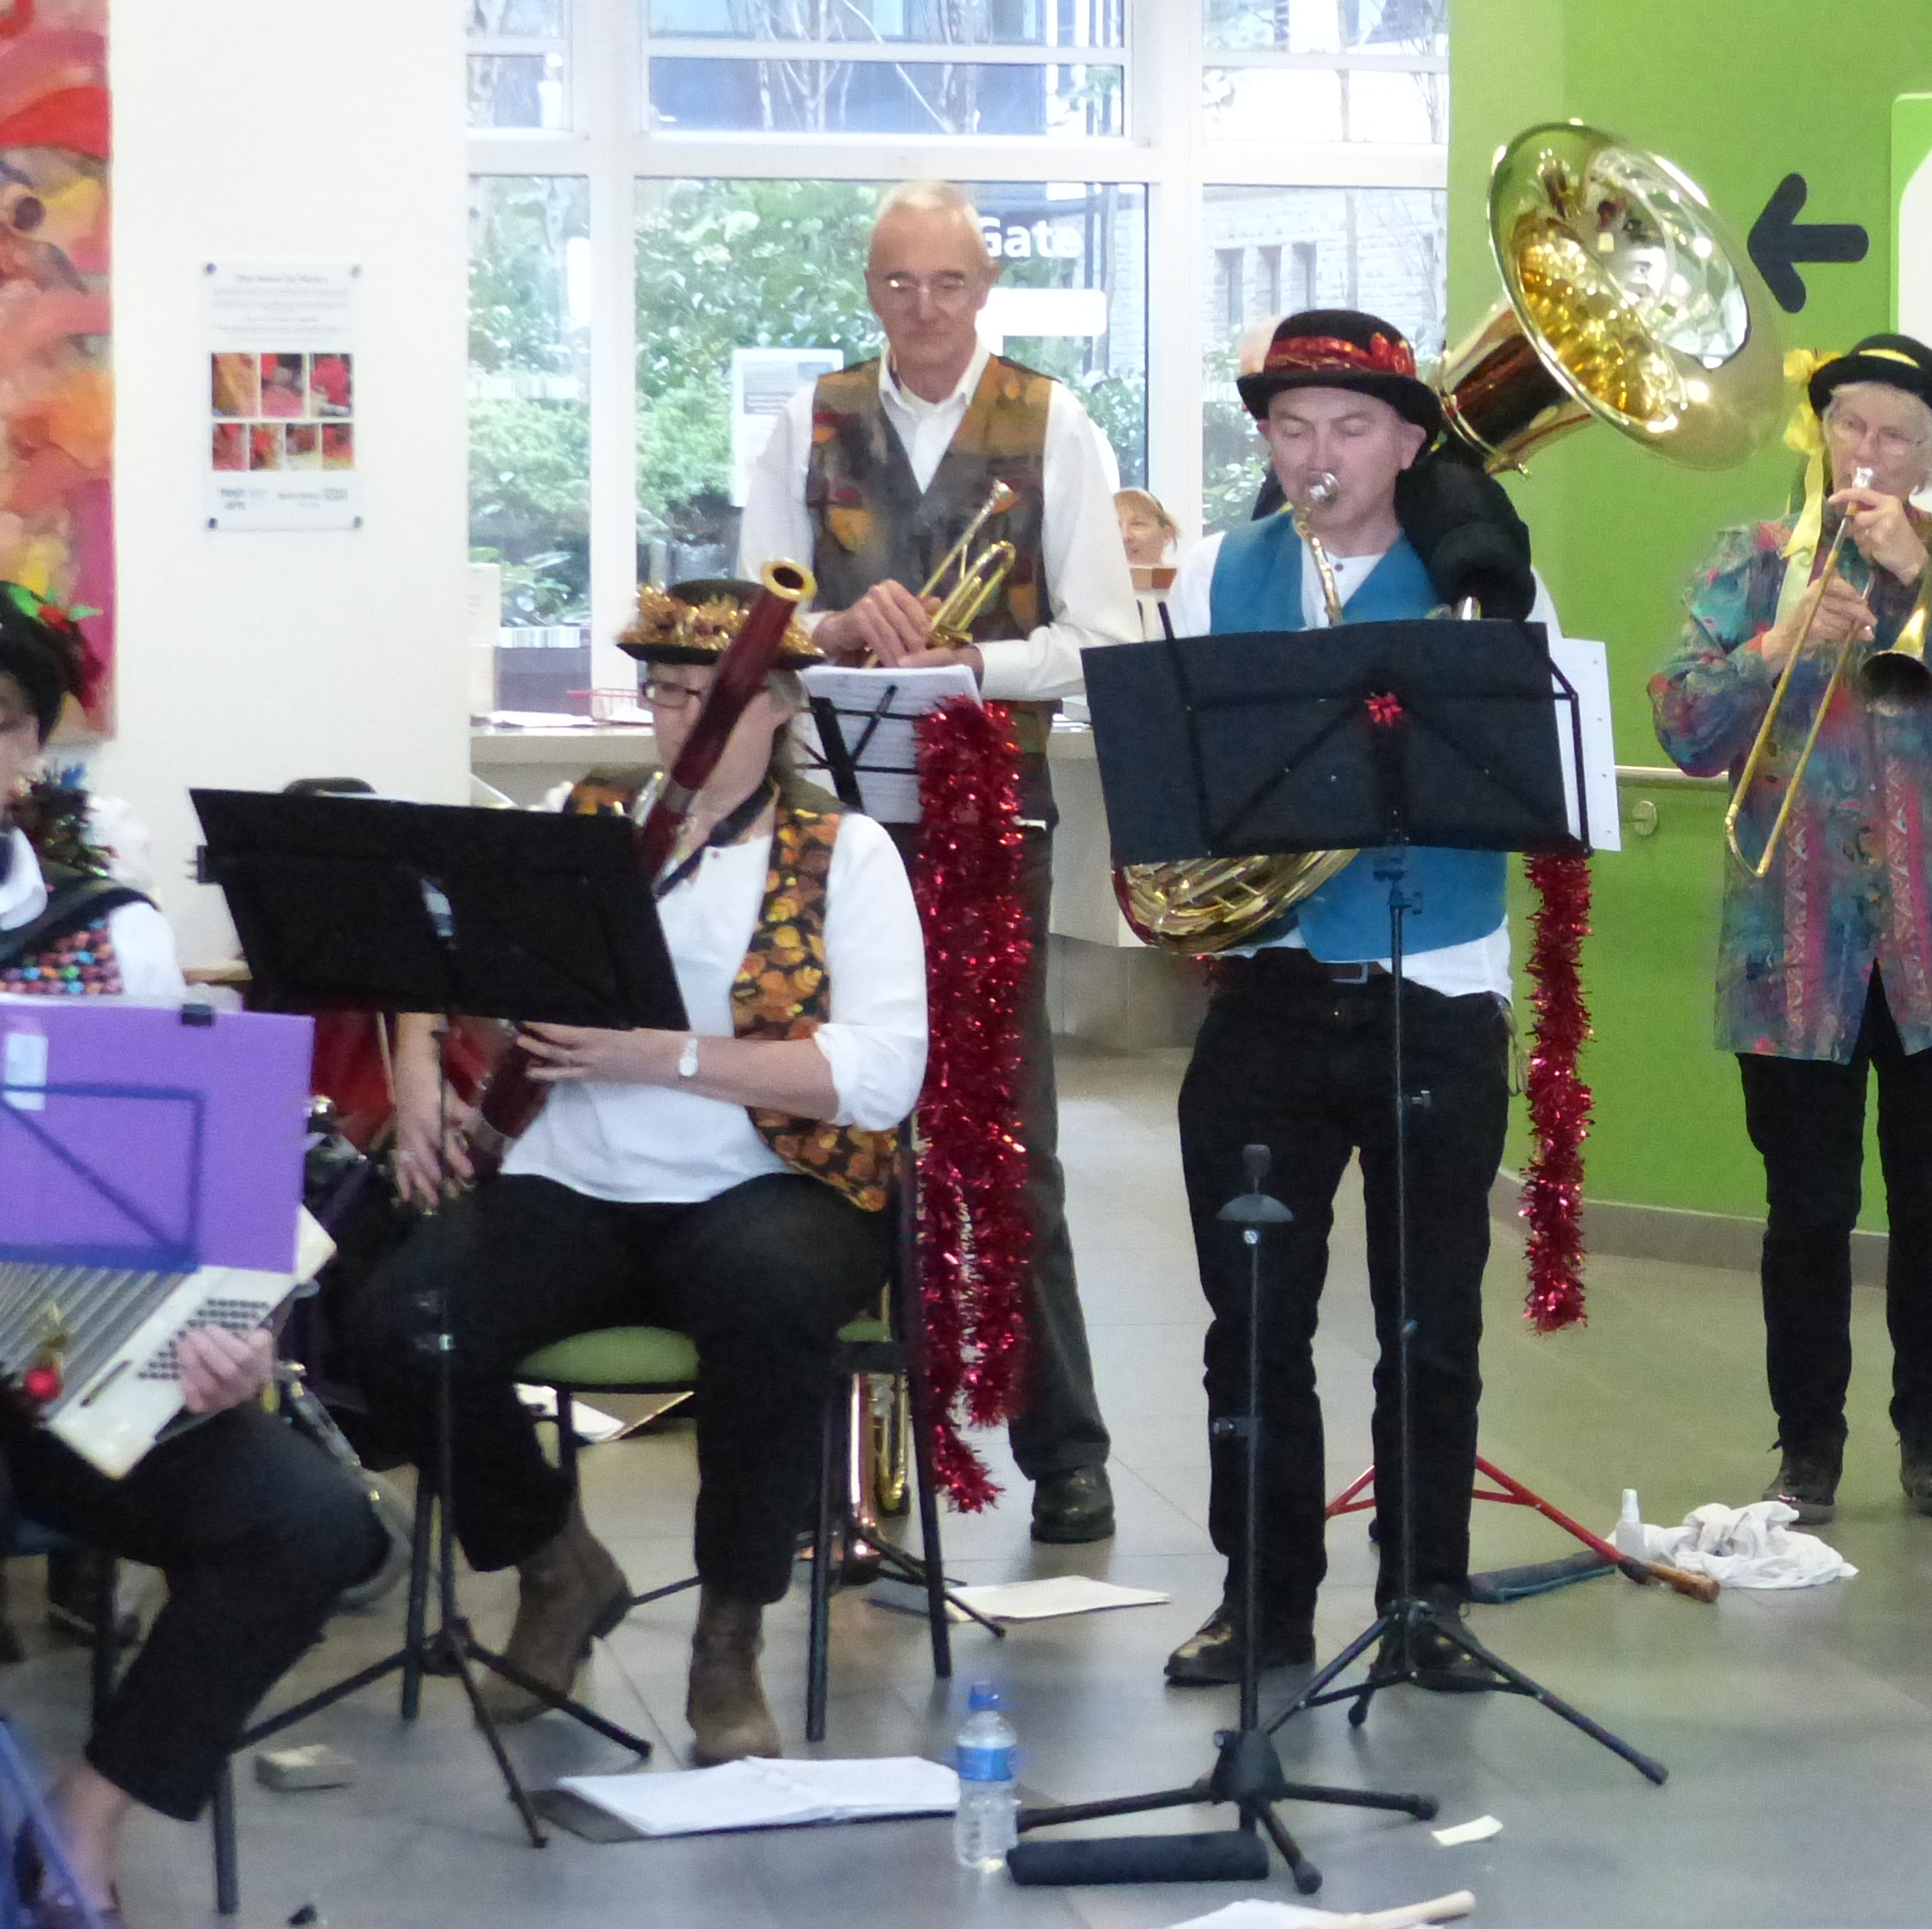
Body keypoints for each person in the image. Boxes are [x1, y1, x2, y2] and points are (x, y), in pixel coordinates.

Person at [349, 582, 929, 1763]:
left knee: (767, 1300)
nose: (674, 722)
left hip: (773, 1184)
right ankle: (555, 1565)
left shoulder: (845, 852)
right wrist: (416, 1066)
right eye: (659, 694)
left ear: (777, 707)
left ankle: (730, 1632)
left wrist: (659, 1056)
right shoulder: (583, 821)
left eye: (703, 698)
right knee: (399, 1323)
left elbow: (882, 1076)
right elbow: (427, 936)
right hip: (574, 1182)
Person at [736, 179, 1138, 1545]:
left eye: (949, 282)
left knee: (1008, 1139)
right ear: (870, 290)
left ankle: (1063, 1448)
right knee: (829, 1131)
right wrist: (837, 631)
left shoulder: (1055, 422)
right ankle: (831, 1455)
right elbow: (752, 627)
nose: (924, 309)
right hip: (834, 827)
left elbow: (1104, 639)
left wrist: (976, 661)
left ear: (985, 290)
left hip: (988, 817)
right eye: (899, 283)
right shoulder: (807, 421)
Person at [1156, 309, 1551, 1691]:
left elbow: (1528, 773)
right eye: (1292, 427)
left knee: (1428, 1323)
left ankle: (1424, 1599)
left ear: (1408, 444)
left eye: (1351, 426)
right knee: (1251, 1323)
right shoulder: (1219, 571)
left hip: (1431, 993)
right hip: (1267, 995)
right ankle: (1259, 1603)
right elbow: (1173, 778)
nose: (1318, 454)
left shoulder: (1489, 592)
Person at [0, 593, 389, 1929]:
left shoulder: (111, 936)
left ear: (28, 748)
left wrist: (232, 1332)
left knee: (311, 1522)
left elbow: (205, 1195)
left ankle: (84, 1816)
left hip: (66, 1377)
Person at [1649, 334, 1932, 1526]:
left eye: (1897, 436)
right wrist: (1776, 649)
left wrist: (1923, 577)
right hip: (1792, 940)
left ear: (1929, 458)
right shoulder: (1751, 558)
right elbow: (1682, 728)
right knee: (1806, 1208)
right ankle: (1807, 1447)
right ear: (1822, 435)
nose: (1869, 451)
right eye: (1851, 425)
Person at [1118, 486, 1180, 598]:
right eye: (1115, 525)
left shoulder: (1185, 586)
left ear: (1166, 535)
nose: (1125, 536)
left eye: (1138, 524)